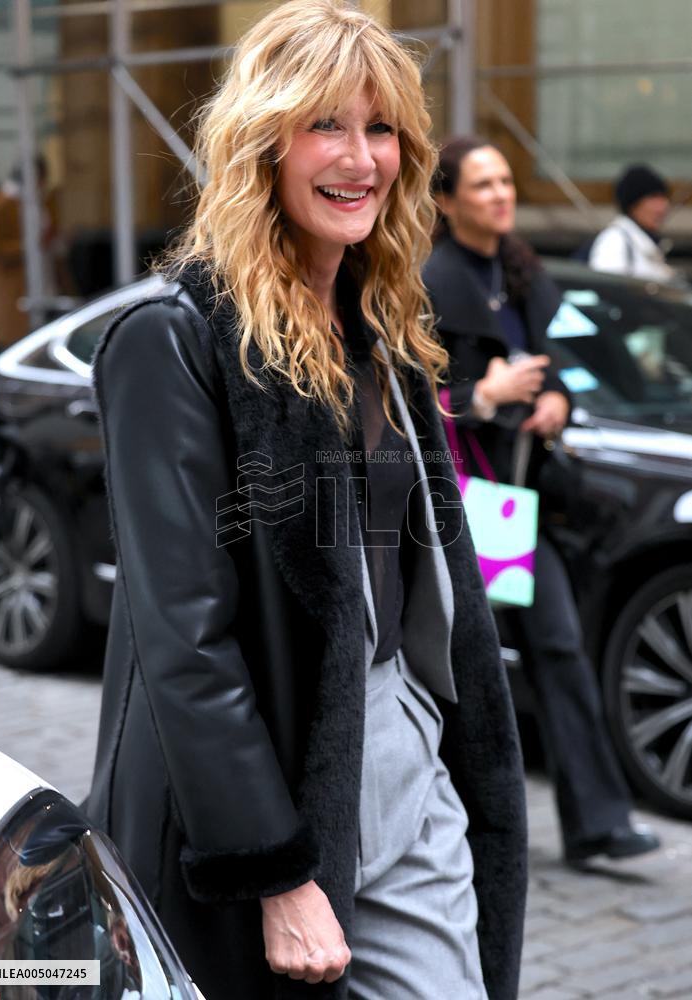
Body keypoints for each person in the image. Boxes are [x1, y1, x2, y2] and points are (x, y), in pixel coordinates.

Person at [87, 6, 527, 1000]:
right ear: (265, 142)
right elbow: (183, 636)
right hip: (260, 785)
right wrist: (274, 870)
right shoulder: (172, 339)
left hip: (402, 751)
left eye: (381, 128)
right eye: (326, 123)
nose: (360, 156)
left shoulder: (382, 327)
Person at [424, 134, 661, 868]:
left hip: (519, 504)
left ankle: (596, 823)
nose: (500, 194)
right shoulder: (430, 283)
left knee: (558, 647)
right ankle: (444, 826)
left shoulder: (523, 275)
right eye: (482, 183)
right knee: (453, 668)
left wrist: (553, 396)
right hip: (455, 507)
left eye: (505, 181)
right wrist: (482, 395)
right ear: (445, 200)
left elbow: (561, 370)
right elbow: (401, 405)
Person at [0, 157, 60, 350]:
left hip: (41, 278)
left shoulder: (35, 201)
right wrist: (32, 245)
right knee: (17, 341)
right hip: (16, 285)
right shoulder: (2, 204)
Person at [588, 163, 682, 285]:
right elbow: (607, 291)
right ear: (633, 205)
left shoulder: (647, 247)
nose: (662, 207)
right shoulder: (615, 241)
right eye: (654, 198)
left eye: (664, 198)